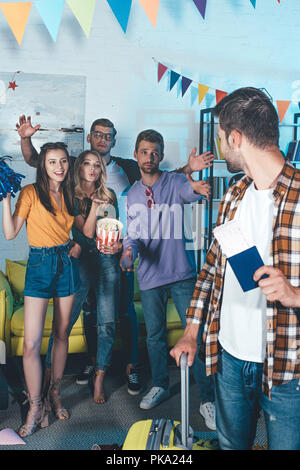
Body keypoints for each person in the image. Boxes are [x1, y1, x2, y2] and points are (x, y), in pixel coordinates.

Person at [16, 115, 214, 396]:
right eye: (97, 134)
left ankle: (131, 366)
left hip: (119, 250)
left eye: (108, 136)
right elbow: (37, 161)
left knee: (122, 313)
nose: (102, 139)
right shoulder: (73, 166)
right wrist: (25, 139)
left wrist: (187, 172)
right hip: (83, 253)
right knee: (81, 313)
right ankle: (79, 369)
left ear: (114, 140)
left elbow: (159, 177)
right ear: (89, 139)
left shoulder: (128, 167)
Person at [170, 87, 300, 450]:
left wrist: (294, 294)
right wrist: (192, 332)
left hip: (288, 368)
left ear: (236, 138)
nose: (221, 148)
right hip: (229, 358)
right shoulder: (233, 194)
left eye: (222, 139)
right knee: (230, 446)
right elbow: (212, 271)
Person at [120, 129, 216, 429]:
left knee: (194, 334)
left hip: (181, 274)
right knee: (154, 336)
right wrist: (126, 254)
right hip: (149, 277)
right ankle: (160, 384)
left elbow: (189, 191)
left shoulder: (175, 182)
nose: (149, 157)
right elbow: (132, 237)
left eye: (154, 152)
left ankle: (207, 399)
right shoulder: (131, 194)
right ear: (136, 155)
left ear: (160, 156)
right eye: (144, 151)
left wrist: (198, 188)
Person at [1, 142, 81, 438]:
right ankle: (36, 406)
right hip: (40, 263)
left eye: (62, 161)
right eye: (51, 162)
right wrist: (5, 198)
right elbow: (10, 232)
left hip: (66, 264)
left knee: (61, 334)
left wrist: (76, 246)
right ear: (42, 166)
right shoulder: (30, 193)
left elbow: (78, 232)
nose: (59, 167)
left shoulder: (71, 193)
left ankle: (55, 394)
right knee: (32, 345)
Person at [71, 149, 121, 403]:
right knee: (71, 320)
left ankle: (100, 376)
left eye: (97, 165)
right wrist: (93, 206)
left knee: (107, 323)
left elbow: (114, 230)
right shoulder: (71, 196)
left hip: (106, 262)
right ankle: (51, 380)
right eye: (87, 164)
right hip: (81, 263)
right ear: (79, 168)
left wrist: (119, 246)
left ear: (102, 170)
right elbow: (88, 232)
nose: (92, 169)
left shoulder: (109, 195)